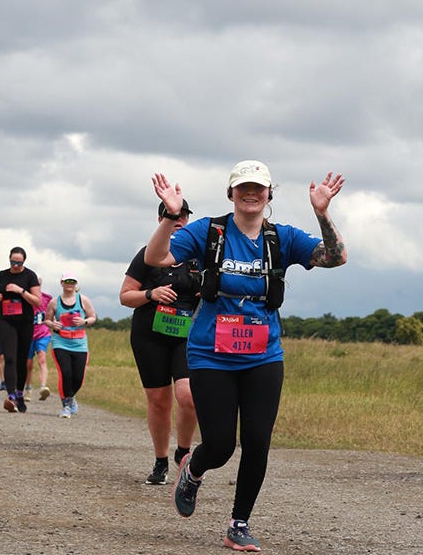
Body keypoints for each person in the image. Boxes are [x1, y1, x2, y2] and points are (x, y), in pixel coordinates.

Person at [146, 161, 347, 551]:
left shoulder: (282, 237)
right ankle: (194, 469)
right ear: (231, 193)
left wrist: (322, 213)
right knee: (221, 445)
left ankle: (239, 524)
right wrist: (171, 215)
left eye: (258, 188)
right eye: (243, 188)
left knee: (257, 441)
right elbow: (158, 258)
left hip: (263, 356)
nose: (250, 194)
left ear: (270, 193)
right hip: (211, 354)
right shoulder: (208, 231)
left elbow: (335, 257)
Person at [120, 200, 200, 485]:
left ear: (190, 219)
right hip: (149, 335)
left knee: (188, 395)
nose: (179, 220)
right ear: (161, 219)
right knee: (158, 401)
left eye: (184, 216)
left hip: (187, 335)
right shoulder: (148, 255)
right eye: (173, 216)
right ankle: (160, 461)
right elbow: (125, 296)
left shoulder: (199, 256)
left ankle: (183, 452)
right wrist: (151, 294)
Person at [0, 247, 41, 413]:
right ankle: (11, 396)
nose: (16, 265)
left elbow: (37, 301)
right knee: (9, 357)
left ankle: (20, 393)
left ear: (24, 261)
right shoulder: (2, 274)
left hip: (24, 322)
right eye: (13, 262)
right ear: (9, 260)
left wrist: (21, 291)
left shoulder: (30, 276)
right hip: (5, 320)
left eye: (19, 263)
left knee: (22, 359)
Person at [44, 272, 96, 418]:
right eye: (67, 281)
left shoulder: (83, 300)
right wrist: (53, 324)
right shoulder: (55, 302)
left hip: (80, 343)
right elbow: (47, 319)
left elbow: (93, 317)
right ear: (61, 283)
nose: (70, 284)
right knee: (65, 373)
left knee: (78, 377)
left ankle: (71, 397)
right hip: (61, 342)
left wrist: (84, 321)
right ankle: (66, 405)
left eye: (72, 281)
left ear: (76, 284)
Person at [24, 278, 51, 402]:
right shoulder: (25, 297)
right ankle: (28, 388)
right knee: (28, 364)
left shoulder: (47, 298)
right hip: (28, 334)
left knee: (42, 358)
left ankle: (42, 387)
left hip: (43, 333)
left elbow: (53, 313)